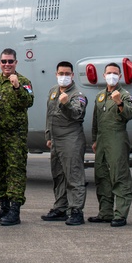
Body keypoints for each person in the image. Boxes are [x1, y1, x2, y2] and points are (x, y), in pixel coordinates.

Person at [0, 48, 34, 226]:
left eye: (10, 61)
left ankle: (15, 210)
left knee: (15, 171)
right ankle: (4, 206)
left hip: (15, 137)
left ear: (16, 63)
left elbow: (28, 101)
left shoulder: (24, 81)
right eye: (4, 61)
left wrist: (17, 87)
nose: (7, 64)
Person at [42, 61, 89, 226]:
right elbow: (49, 114)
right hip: (56, 140)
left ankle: (76, 210)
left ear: (72, 75)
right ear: (56, 74)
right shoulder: (53, 91)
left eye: (67, 74)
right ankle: (61, 207)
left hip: (71, 139)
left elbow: (77, 114)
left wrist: (66, 104)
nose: (63, 76)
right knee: (58, 175)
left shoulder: (78, 95)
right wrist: (49, 135)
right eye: (61, 73)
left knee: (73, 176)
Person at [90, 63, 132, 227]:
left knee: (119, 176)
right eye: (109, 73)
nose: (112, 75)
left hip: (117, 137)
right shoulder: (100, 96)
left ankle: (120, 215)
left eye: (115, 73)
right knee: (102, 176)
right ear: (104, 76)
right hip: (102, 139)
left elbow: (130, 113)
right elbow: (96, 120)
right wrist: (95, 139)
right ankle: (105, 213)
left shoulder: (124, 95)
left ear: (120, 76)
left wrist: (119, 103)